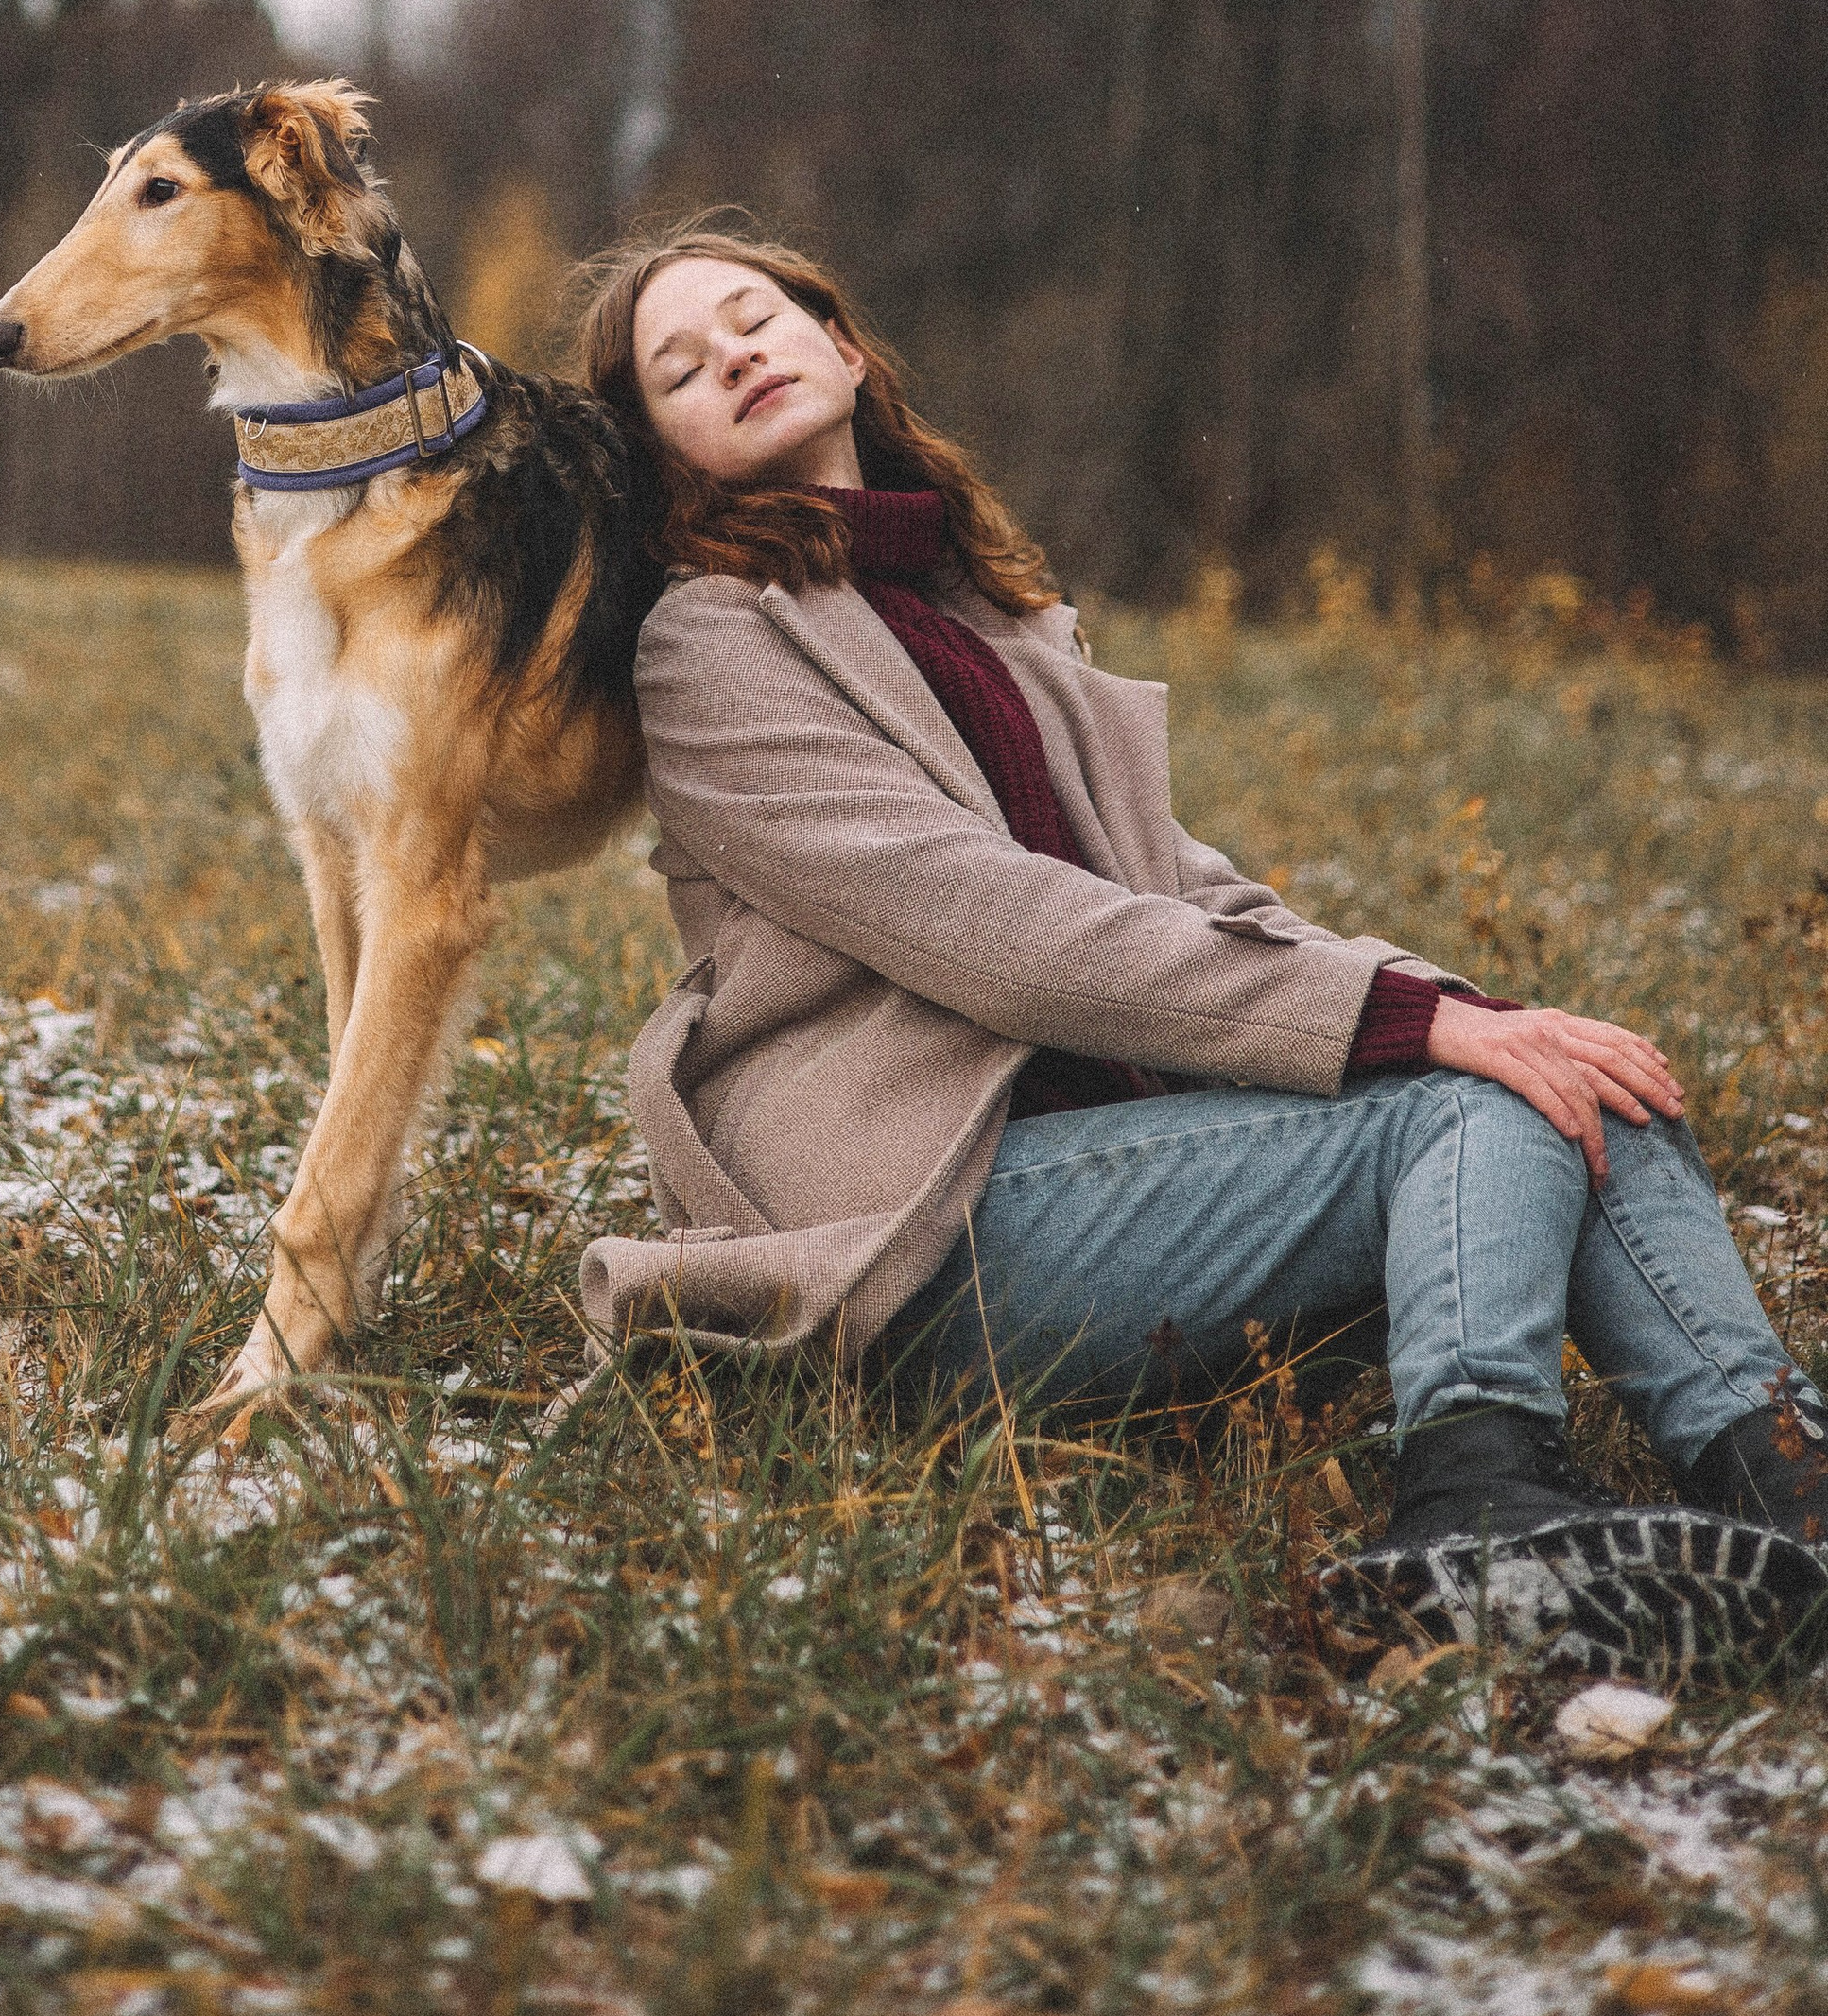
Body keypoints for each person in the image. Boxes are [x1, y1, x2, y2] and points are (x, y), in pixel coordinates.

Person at [572, 226, 1828, 1660]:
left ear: (846, 351)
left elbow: (1185, 892)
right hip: (926, 1232)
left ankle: (1781, 1483)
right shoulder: (711, 646)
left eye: (756, 319)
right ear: (667, 454)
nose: (734, 353)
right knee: (1462, 1106)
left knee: (1577, 1079)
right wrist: (1428, 1038)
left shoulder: (993, 616)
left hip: (1124, 1189)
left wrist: (1459, 1004)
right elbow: (997, 931)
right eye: (681, 367)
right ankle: (1478, 1507)